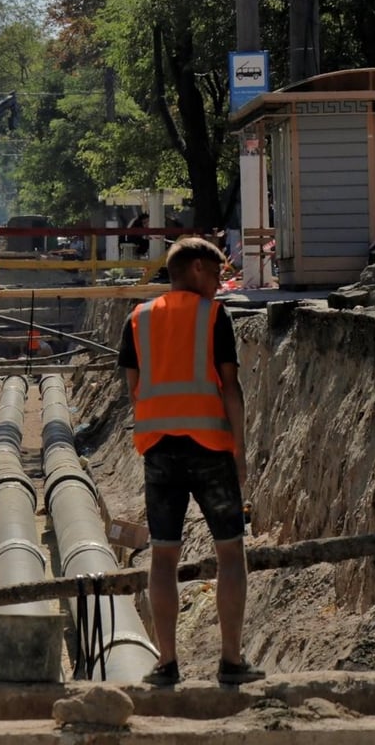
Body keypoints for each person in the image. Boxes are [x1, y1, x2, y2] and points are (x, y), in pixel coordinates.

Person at [118, 237, 264, 687]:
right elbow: (231, 388)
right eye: (218, 274)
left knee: (162, 557)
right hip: (209, 447)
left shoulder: (138, 319)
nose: (221, 284)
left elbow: (134, 388)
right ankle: (231, 661)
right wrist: (240, 451)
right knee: (230, 553)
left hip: (159, 449)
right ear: (197, 268)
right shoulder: (212, 316)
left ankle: (166, 663)